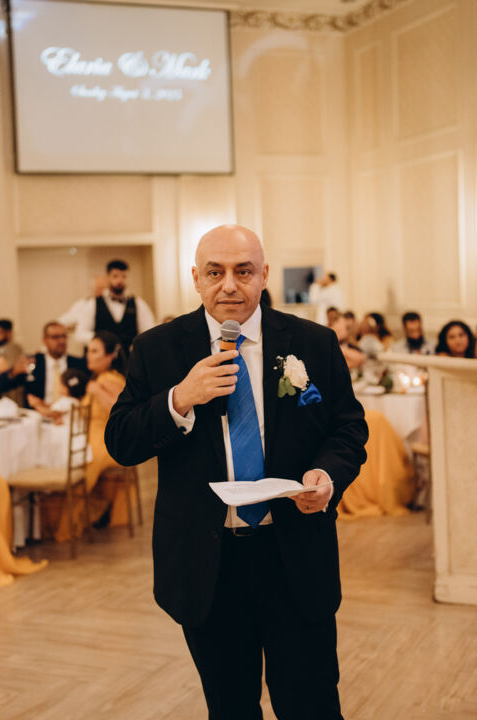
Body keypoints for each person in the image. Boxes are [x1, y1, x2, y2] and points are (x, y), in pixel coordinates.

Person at [105, 224, 368, 719]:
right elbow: (120, 441)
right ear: (196, 279)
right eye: (215, 272)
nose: (229, 285)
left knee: (311, 704)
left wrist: (327, 475)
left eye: (243, 271)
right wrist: (179, 398)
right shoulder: (158, 348)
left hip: (294, 554)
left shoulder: (313, 342)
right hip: (208, 563)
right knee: (229, 708)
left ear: (264, 275)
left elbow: (348, 428)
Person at [40, 331, 129, 542]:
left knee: (77, 465)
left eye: (95, 351)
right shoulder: (99, 378)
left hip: (104, 440)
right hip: (91, 435)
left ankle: (64, 525)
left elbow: (120, 411)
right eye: (88, 350)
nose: (88, 355)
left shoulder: (109, 379)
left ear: (110, 356)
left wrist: (96, 390)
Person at [73, 259, 155, 355]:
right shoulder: (93, 303)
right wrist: (100, 339)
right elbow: (80, 334)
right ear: (107, 277)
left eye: (124, 276)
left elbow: (150, 331)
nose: (120, 280)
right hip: (102, 359)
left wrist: (138, 344)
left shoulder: (138, 303)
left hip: (130, 358)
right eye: (115, 276)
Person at [0, 321, 87, 406]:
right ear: (44, 340)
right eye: (55, 337)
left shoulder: (78, 364)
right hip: (36, 413)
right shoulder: (33, 362)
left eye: (64, 336)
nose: (61, 341)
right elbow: (1, 385)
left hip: (67, 412)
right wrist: (13, 373)